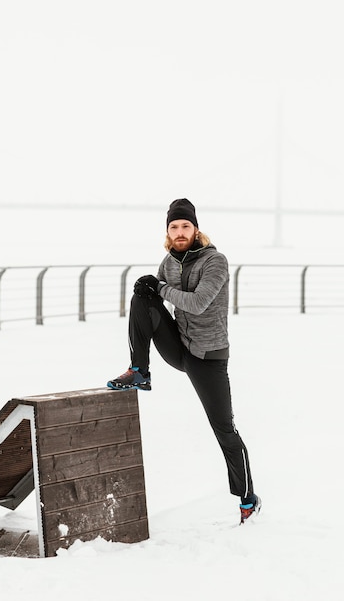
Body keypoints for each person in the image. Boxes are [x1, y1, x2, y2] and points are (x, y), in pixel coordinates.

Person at [107, 198, 261, 524]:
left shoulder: (215, 260)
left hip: (208, 357)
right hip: (180, 347)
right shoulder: (168, 263)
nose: (179, 232)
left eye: (185, 226)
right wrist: (153, 286)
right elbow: (160, 295)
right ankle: (139, 371)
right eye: (174, 227)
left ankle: (248, 498)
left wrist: (160, 287)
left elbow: (199, 303)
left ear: (196, 229)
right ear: (168, 231)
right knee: (142, 295)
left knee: (225, 429)